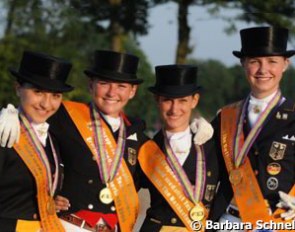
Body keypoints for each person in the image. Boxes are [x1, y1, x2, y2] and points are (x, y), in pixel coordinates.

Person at [0, 50, 213, 232]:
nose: (112, 93)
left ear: (133, 91)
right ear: (91, 85)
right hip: (68, 226)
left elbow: (171, 173)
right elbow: (35, 117)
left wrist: (188, 132)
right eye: (104, 83)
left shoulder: (137, 135)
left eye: (121, 86)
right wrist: (9, 113)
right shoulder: (64, 116)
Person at [209, 26, 295, 231]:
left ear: (285, 64)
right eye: (255, 61)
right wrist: (188, 134)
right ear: (243, 64)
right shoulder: (225, 118)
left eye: (272, 61)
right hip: (231, 222)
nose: (263, 70)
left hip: (281, 223)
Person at [138, 65, 223, 231]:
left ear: (194, 100)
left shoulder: (213, 146)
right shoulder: (146, 148)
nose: (174, 109)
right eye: (167, 100)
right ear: (157, 99)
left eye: (182, 100)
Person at [0, 51, 73, 231]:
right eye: (38, 92)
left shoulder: (52, 138)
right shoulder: (4, 132)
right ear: (18, 88)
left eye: (55, 95)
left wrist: (49, 201)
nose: (46, 104)